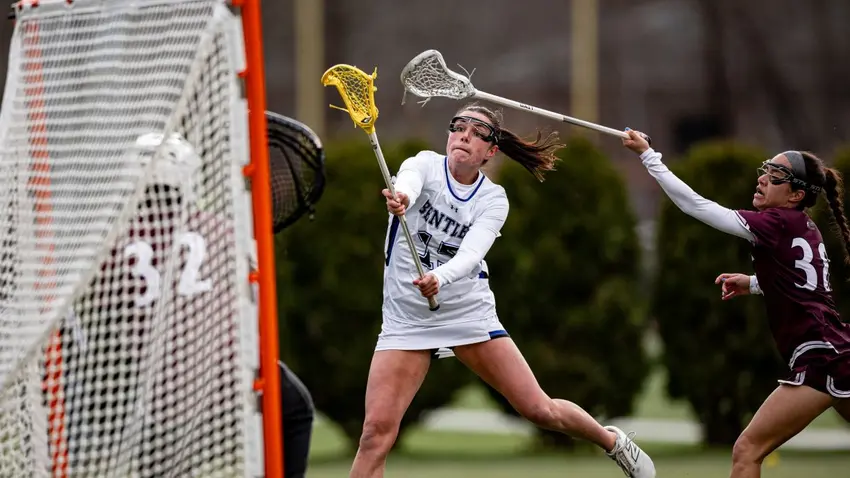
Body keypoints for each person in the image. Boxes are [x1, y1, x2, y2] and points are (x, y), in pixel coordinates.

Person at [348, 103, 656, 478]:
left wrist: (440, 278)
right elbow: (408, 181)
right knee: (375, 437)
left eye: (477, 132)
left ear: (491, 151)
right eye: (459, 126)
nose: (465, 135)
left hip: (467, 312)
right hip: (407, 318)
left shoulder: (493, 200)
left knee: (539, 409)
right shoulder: (424, 165)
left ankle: (613, 442)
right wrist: (404, 197)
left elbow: (471, 255)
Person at [622, 129, 850, 478]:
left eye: (774, 178)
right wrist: (755, 283)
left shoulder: (776, 222)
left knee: (747, 451)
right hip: (838, 350)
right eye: (765, 171)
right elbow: (806, 286)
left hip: (821, 358)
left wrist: (649, 157)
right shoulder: (804, 227)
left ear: (796, 195)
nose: (762, 180)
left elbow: (696, 206)